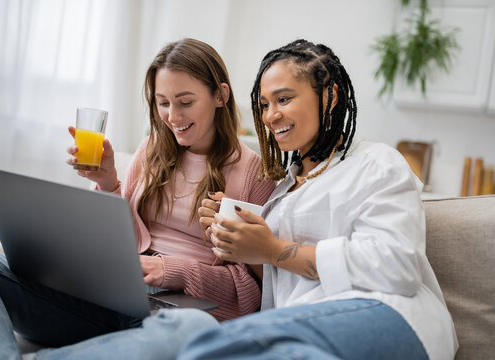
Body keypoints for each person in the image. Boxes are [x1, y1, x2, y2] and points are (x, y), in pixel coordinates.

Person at [0, 38, 274, 360]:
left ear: (220, 95)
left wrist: (173, 271)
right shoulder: (151, 148)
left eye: (185, 101)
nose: (172, 116)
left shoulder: (255, 173)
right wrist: (108, 182)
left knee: (190, 329)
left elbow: (254, 288)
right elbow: (119, 237)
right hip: (109, 297)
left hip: (177, 311)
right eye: (162, 102)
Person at [180, 39, 458, 359]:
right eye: (264, 105)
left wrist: (274, 248)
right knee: (182, 329)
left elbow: (398, 268)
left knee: (218, 344)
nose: (270, 115)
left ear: (329, 95)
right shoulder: (284, 190)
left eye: (283, 99)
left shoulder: (376, 162)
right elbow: (284, 283)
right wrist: (243, 242)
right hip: (305, 321)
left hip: (392, 313)